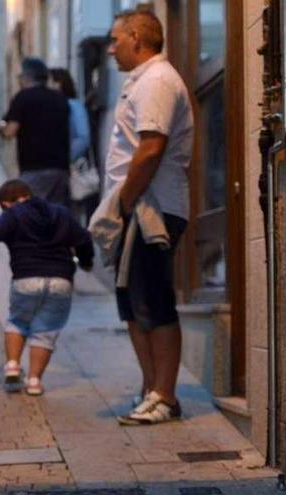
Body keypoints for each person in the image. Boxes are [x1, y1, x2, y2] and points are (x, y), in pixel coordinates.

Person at [105, 8, 193, 425]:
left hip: (150, 208)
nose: (110, 48)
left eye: (116, 39)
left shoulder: (157, 80)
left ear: (137, 37)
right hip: (139, 207)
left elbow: (151, 147)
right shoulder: (142, 81)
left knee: (153, 300)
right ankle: (152, 389)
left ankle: (165, 395)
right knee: (133, 301)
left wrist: (124, 201)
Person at [0, 179, 93, 395]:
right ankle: (34, 382)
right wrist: (86, 261)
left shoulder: (13, 214)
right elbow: (83, 239)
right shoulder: (60, 212)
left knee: (17, 321)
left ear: (6, 203)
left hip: (26, 278)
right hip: (61, 280)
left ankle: (13, 365)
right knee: (46, 331)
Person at [0, 58, 71, 208]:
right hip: (60, 170)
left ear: (26, 77)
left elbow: (10, 131)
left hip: (34, 168)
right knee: (56, 217)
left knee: (33, 216)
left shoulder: (22, 98)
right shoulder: (60, 98)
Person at [49, 68, 97, 224]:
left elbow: (83, 137)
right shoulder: (52, 105)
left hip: (71, 166)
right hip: (58, 168)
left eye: (51, 81)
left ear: (60, 83)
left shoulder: (73, 105)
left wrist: (66, 157)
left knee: (69, 216)